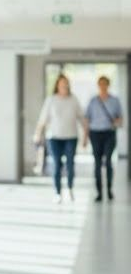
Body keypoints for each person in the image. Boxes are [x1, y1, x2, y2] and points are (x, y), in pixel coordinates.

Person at [34, 74, 86, 203]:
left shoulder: (74, 100)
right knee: (57, 164)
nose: (64, 85)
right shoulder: (51, 100)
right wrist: (38, 134)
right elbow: (43, 119)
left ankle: (70, 188)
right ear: (57, 85)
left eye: (66, 83)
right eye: (62, 83)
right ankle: (57, 192)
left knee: (70, 164)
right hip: (54, 137)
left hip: (71, 137)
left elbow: (82, 118)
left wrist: (86, 136)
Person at [84, 75, 123, 202]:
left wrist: (117, 121)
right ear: (98, 85)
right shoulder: (93, 101)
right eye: (100, 84)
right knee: (97, 163)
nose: (103, 86)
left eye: (105, 84)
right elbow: (87, 119)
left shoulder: (115, 100)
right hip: (95, 134)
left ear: (108, 85)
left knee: (108, 161)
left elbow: (120, 118)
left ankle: (109, 190)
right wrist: (85, 136)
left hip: (109, 133)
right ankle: (99, 192)